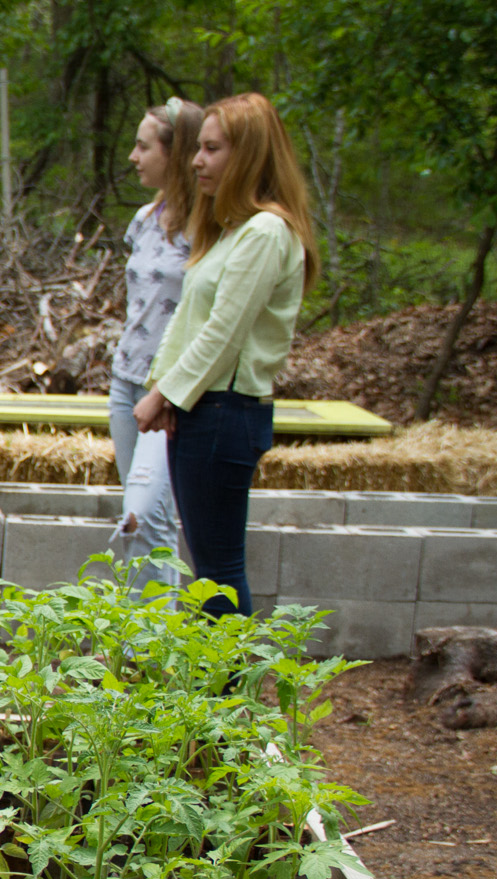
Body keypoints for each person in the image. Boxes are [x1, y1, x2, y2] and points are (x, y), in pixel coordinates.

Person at [134, 93, 319, 618]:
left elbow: (223, 333)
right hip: (203, 409)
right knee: (208, 567)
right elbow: (187, 319)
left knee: (218, 570)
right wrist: (162, 388)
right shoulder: (233, 230)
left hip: (226, 411)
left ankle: (229, 694)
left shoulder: (266, 231)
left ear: (251, 156)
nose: (196, 161)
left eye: (212, 149)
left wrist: (164, 394)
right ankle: (216, 688)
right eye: (198, 149)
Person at [107, 96, 204, 592]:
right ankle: (139, 643)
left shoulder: (207, 229)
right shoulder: (145, 218)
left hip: (167, 392)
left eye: (143, 147)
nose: (133, 156)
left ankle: (153, 651)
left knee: (146, 516)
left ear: (176, 152)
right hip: (126, 383)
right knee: (138, 516)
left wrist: (168, 390)